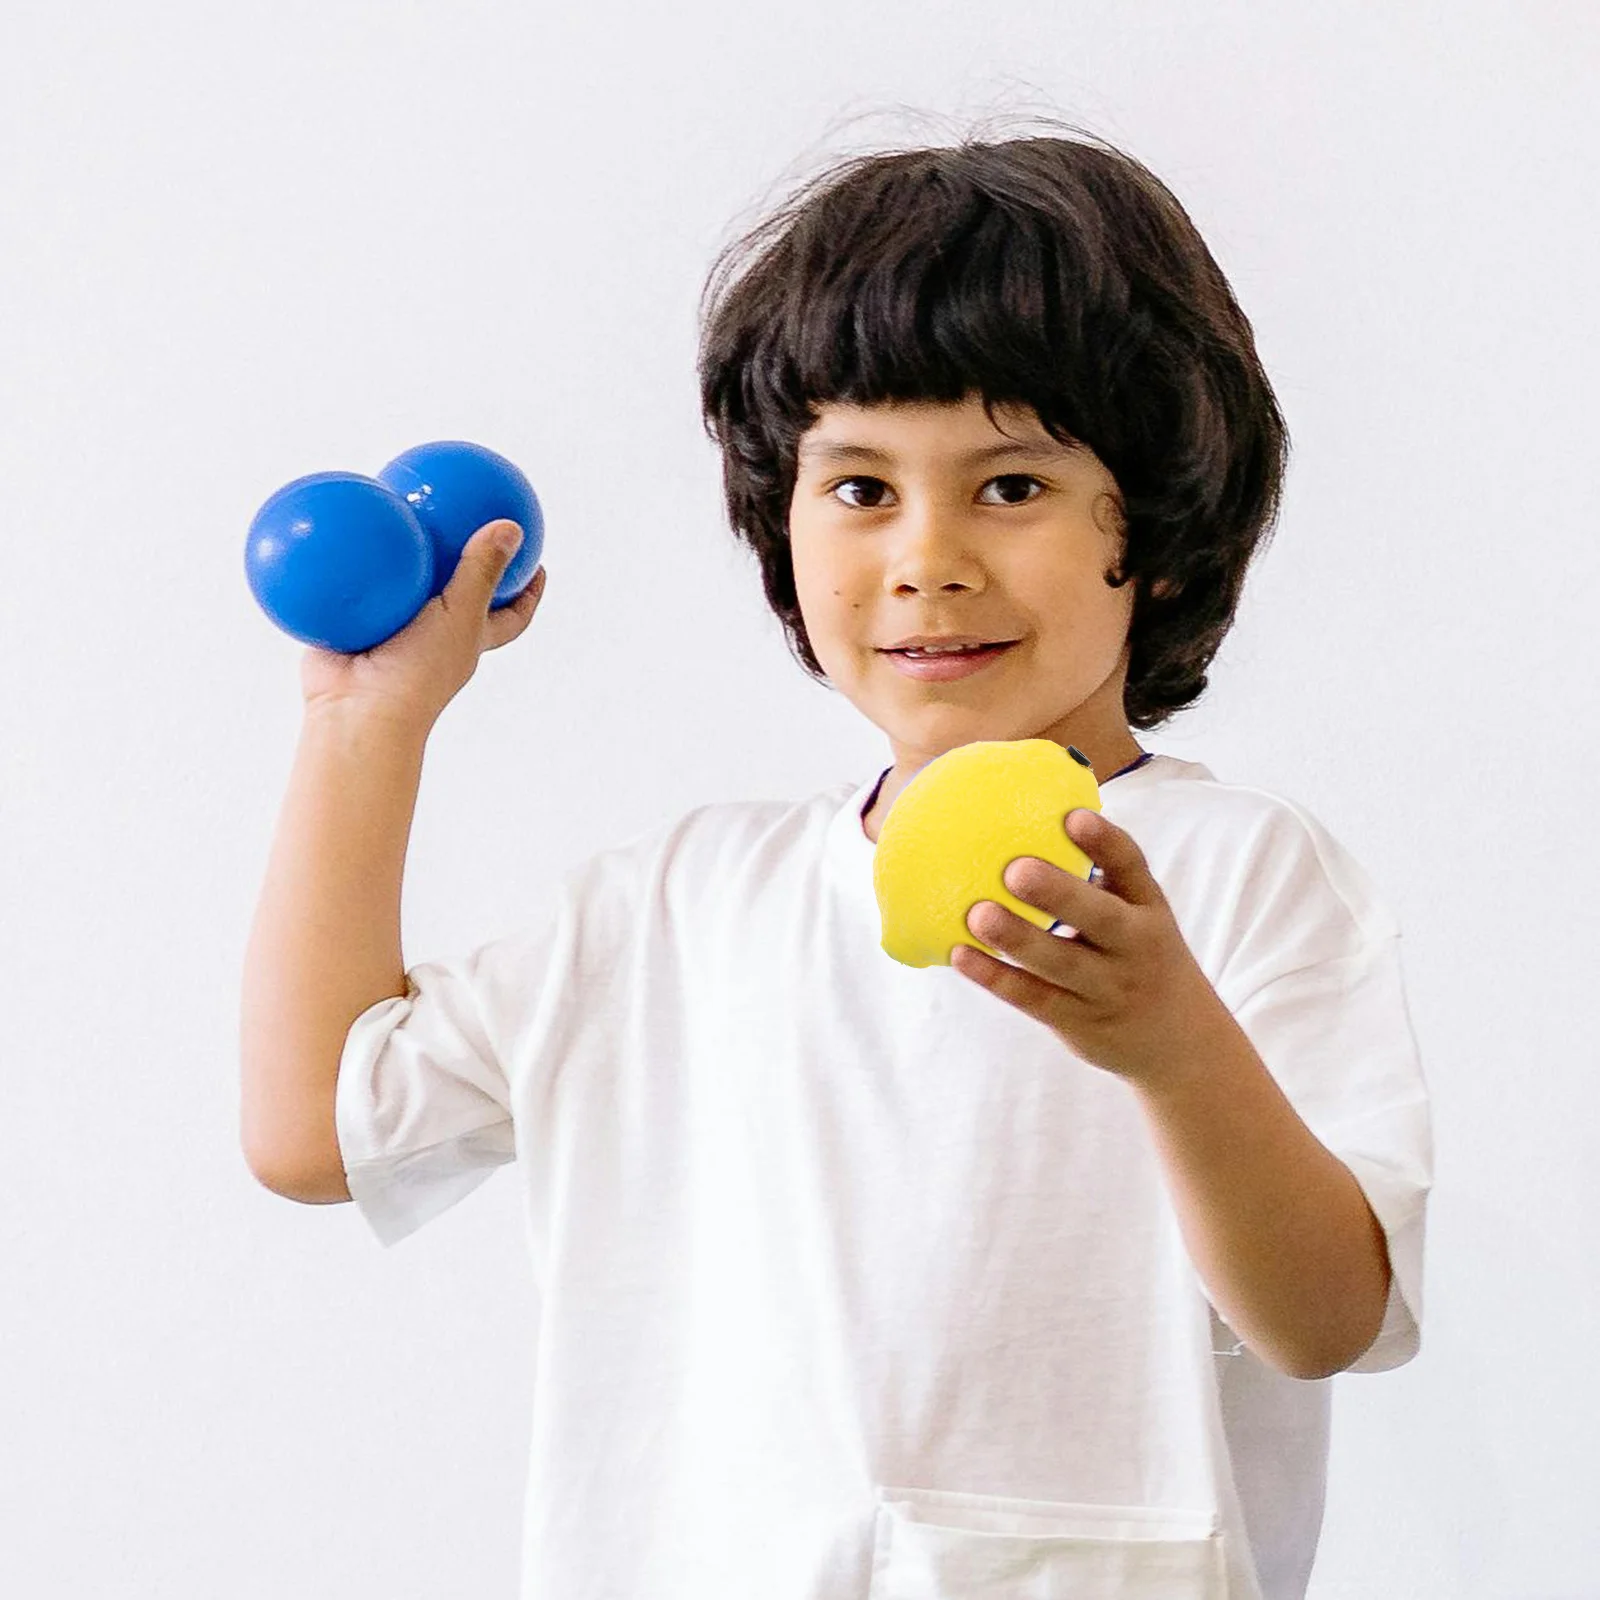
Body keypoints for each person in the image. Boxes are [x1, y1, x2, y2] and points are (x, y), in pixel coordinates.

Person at [239, 122, 1432, 1600]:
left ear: (1164, 533)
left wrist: (1171, 1043)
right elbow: (313, 1130)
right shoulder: (680, 904)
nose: (925, 556)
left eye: (1011, 486)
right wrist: (370, 720)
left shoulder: (1236, 873)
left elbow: (1332, 1318)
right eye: (861, 489)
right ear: (783, 533)